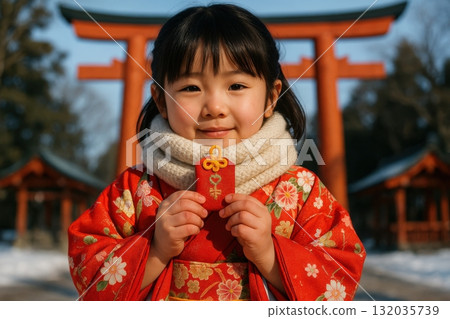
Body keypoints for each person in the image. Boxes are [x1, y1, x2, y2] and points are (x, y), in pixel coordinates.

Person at [68, 4, 365, 301]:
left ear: (272, 97)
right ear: (160, 100)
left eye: (235, 85)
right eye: (191, 88)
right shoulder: (134, 189)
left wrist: (270, 254)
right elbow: (88, 269)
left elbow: (341, 274)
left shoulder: (301, 189)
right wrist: (154, 249)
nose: (214, 108)